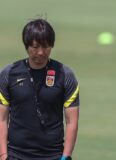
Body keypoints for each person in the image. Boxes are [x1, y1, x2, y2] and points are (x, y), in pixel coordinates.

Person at [0, 19, 80, 160]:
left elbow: (72, 122)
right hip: (15, 155)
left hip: (52, 155)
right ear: (26, 46)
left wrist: (66, 156)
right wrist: (3, 154)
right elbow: (1, 119)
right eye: (35, 47)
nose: (41, 52)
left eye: (46, 47)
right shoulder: (9, 74)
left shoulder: (65, 75)